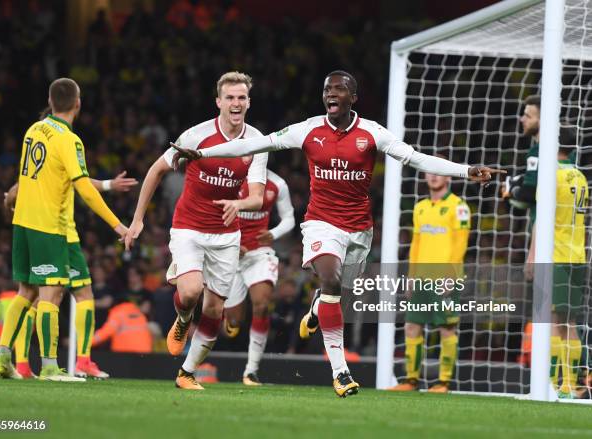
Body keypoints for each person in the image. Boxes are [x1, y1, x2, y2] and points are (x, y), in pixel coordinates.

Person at [173, 70, 502, 397]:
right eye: (327, 88)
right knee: (329, 282)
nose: (331, 93)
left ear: (352, 98)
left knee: (337, 297)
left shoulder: (372, 133)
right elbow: (258, 143)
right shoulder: (308, 130)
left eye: (339, 89)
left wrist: (467, 170)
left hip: (359, 229)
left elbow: (415, 159)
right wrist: (203, 153)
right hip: (321, 223)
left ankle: (318, 308)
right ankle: (341, 372)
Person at [124, 71, 268, 390]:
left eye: (241, 97)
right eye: (229, 97)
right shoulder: (197, 136)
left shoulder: (257, 142)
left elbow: (257, 196)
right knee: (190, 292)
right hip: (189, 227)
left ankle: (186, 373)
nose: (235, 102)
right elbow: (156, 170)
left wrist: (239, 205)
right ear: (218, 101)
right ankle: (184, 317)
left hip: (227, 236)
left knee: (215, 308)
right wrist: (138, 219)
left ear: (248, 102)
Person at [0, 77, 128, 381]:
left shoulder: (33, 130)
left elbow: (40, 177)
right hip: (49, 225)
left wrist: (12, 195)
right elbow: (83, 189)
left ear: (51, 102)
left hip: (24, 223)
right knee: (50, 294)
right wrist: (118, 225)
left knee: (27, 292)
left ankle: (3, 358)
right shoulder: (69, 139)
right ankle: (49, 365)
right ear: (78, 104)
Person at [2, 170, 138, 379]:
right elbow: (81, 183)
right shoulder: (62, 144)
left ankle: (22, 364)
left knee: (35, 296)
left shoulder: (40, 150)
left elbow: (78, 181)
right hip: (60, 236)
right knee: (54, 296)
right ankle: (68, 363)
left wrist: (109, 184)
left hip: (42, 234)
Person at [387, 165, 470, 393]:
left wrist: (450, 276)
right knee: (412, 326)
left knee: (446, 328)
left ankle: (443, 382)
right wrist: (411, 276)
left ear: (448, 176)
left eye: (439, 171)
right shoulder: (420, 208)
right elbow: (416, 245)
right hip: (422, 278)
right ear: (425, 175)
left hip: (445, 278)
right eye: (430, 171)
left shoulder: (459, 207)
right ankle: (411, 380)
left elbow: (460, 244)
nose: (434, 175)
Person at [526, 145, 588, 399]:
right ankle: (570, 386)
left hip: (556, 256)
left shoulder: (550, 175)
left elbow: (543, 218)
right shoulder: (580, 176)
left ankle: (551, 384)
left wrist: (532, 256)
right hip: (578, 255)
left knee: (552, 320)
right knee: (569, 322)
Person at [222, 169, 295, 385]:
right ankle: (229, 319)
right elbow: (211, 213)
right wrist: (230, 244)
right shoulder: (229, 177)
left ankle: (251, 371)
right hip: (229, 252)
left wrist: (273, 233)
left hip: (259, 253)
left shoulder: (277, 184)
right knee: (234, 324)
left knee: (262, 304)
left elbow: (289, 218)